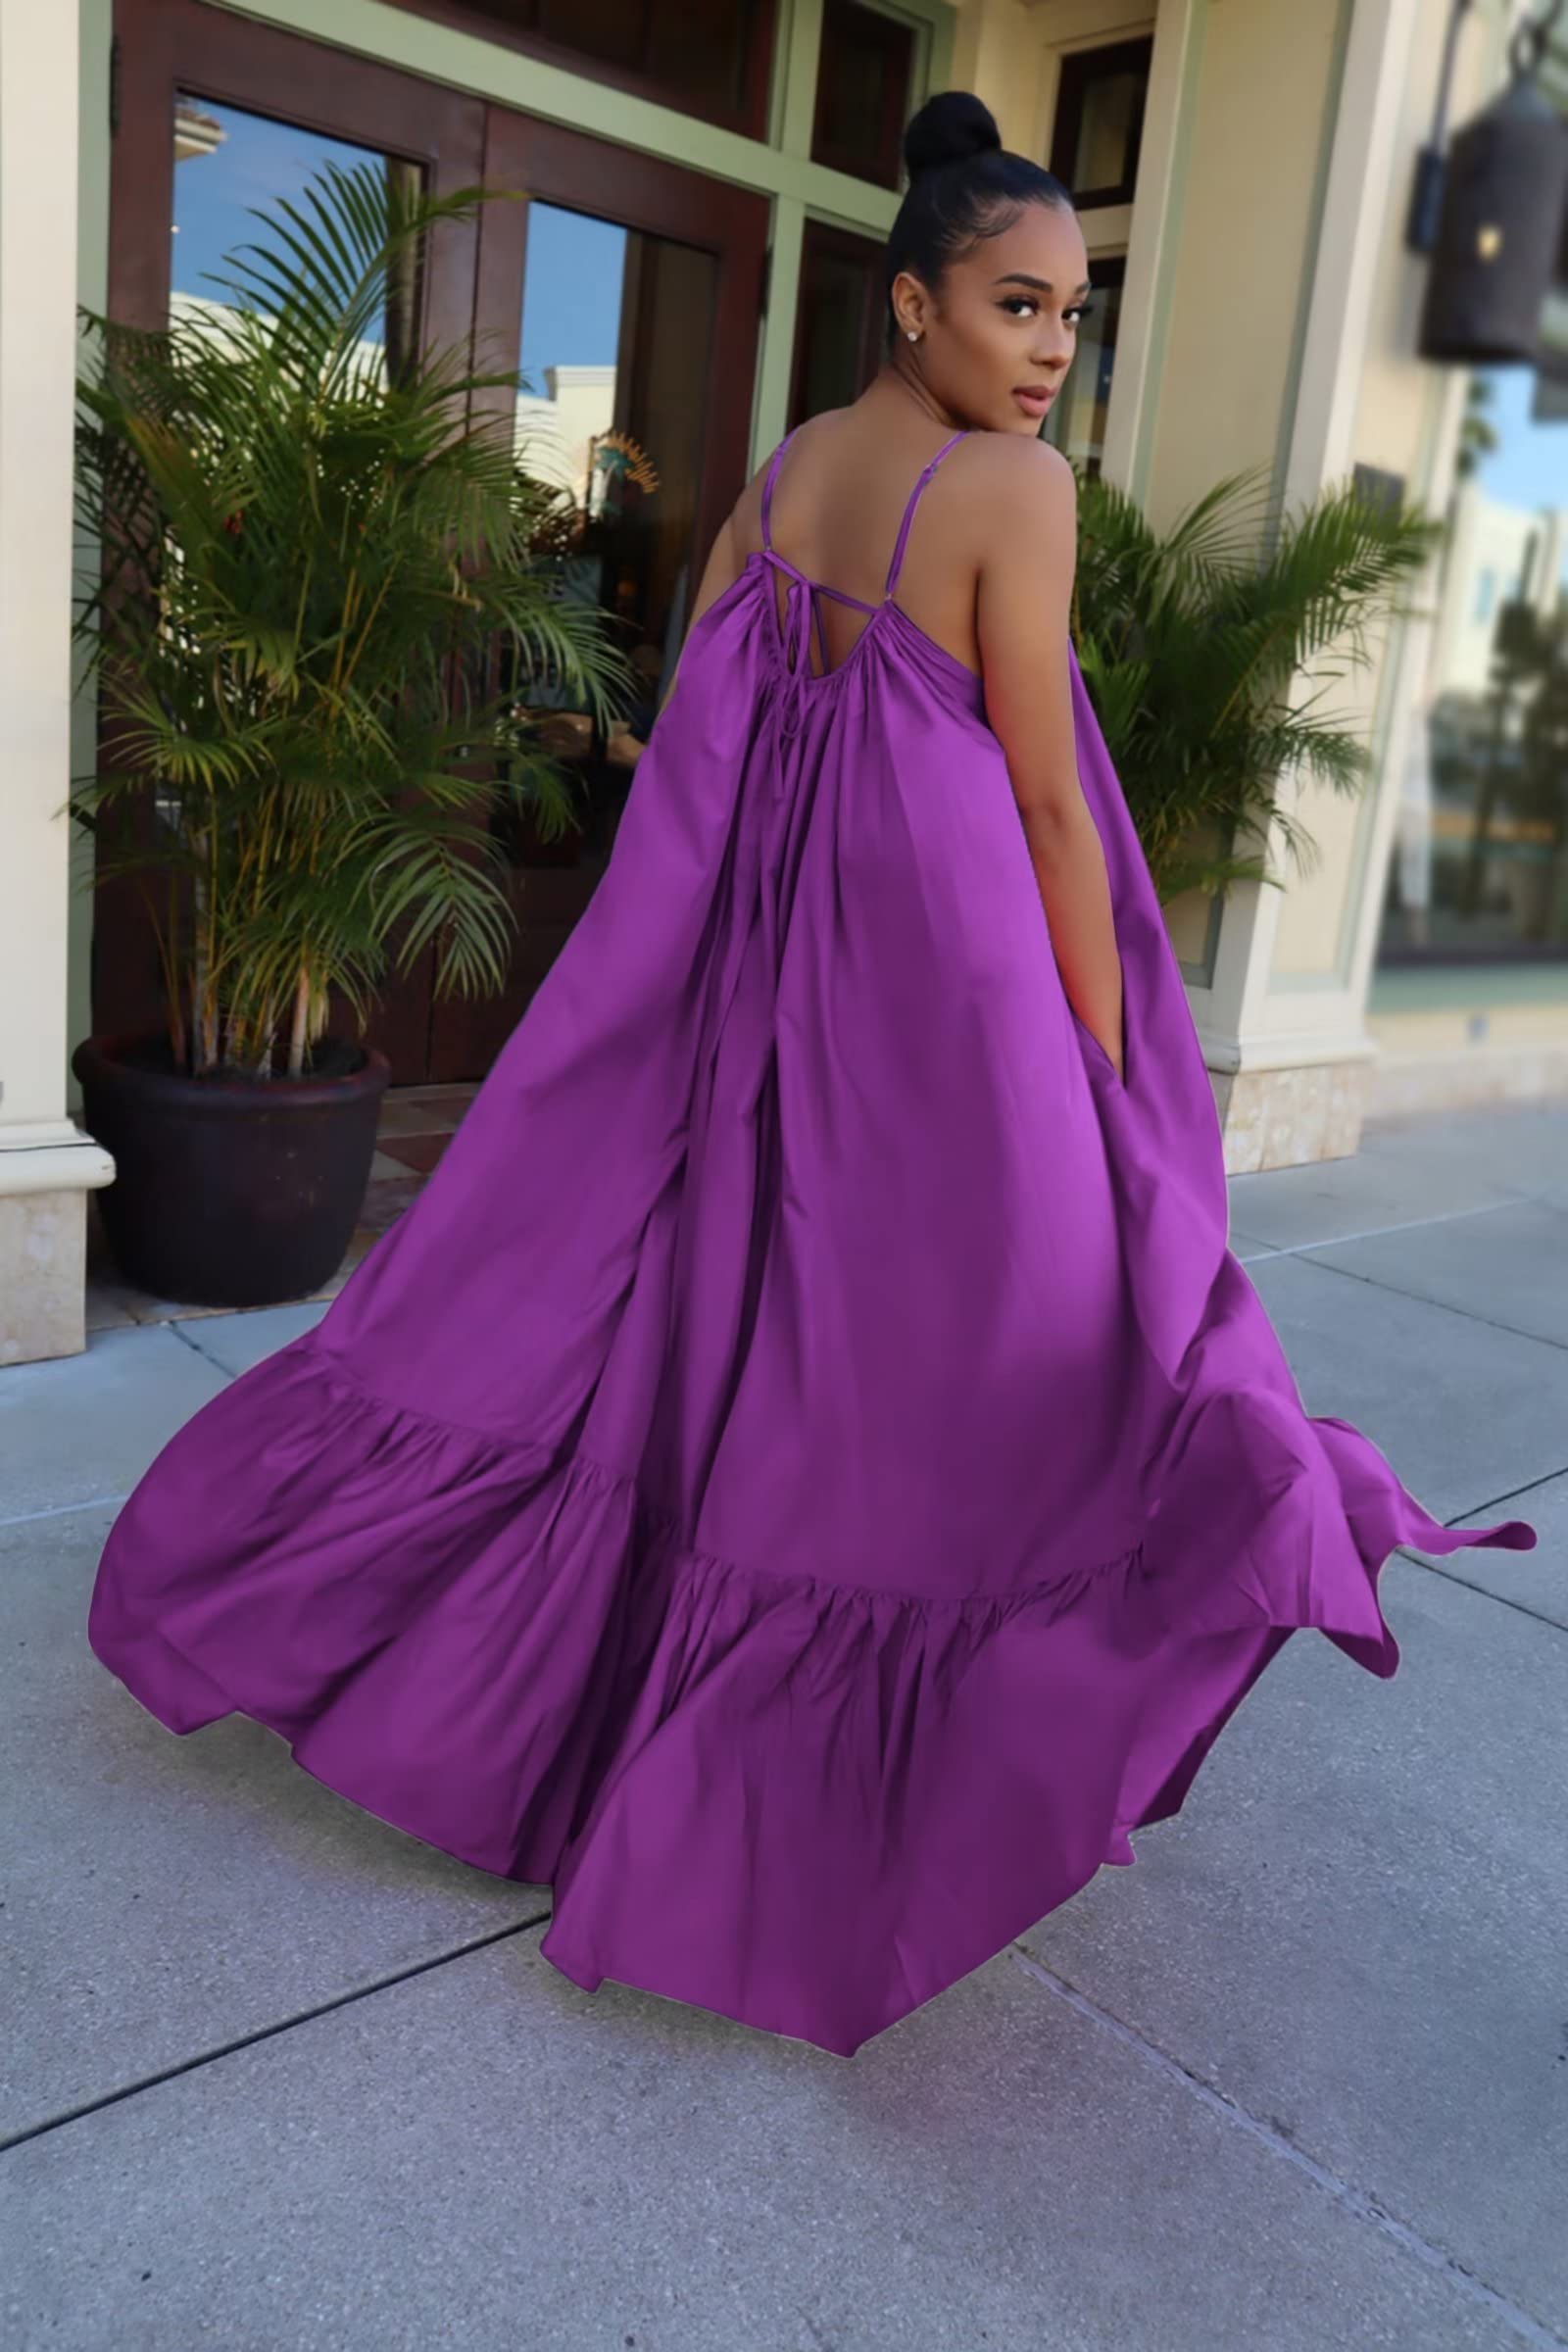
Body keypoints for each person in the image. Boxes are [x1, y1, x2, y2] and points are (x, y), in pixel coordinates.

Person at [87, 91, 1536, 2060]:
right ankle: (877, 1802)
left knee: (744, 1370)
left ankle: (650, 1749)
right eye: (1017, 305)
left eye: (1074, 316)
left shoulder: (781, 482)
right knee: (999, 1370)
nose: (1051, 349)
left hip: (771, 1014)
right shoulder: (1010, 493)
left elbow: (696, 747)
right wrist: (1113, 1073)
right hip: (950, 1024)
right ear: (913, 302)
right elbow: (1047, 805)